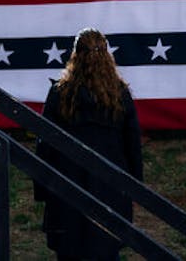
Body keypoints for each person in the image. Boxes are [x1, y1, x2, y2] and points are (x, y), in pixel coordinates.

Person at [37, 28, 143, 261]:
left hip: (66, 186)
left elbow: (44, 144)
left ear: (75, 55)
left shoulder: (59, 92)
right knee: (106, 249)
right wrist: (136, 187)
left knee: (70, 252)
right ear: (107, 55)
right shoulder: (120, 94)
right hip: (110, 186)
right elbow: (132, 144)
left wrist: (43, 189)